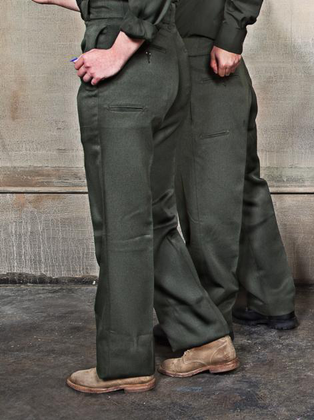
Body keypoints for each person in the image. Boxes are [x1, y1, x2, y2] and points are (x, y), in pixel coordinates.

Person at [31, 0, 237, 393]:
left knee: (120, 221)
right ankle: (204, 337)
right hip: (164, 59)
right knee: (153, 216)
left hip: (129, 62)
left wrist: (118, 50)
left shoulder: (124, 44)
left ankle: (124, 363)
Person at [171, 0, 298, 333]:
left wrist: (230, 35)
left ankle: (207, 321)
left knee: (206, 196)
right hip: (204, 57)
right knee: (240, 188)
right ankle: (271, 298)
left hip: (203, 59)